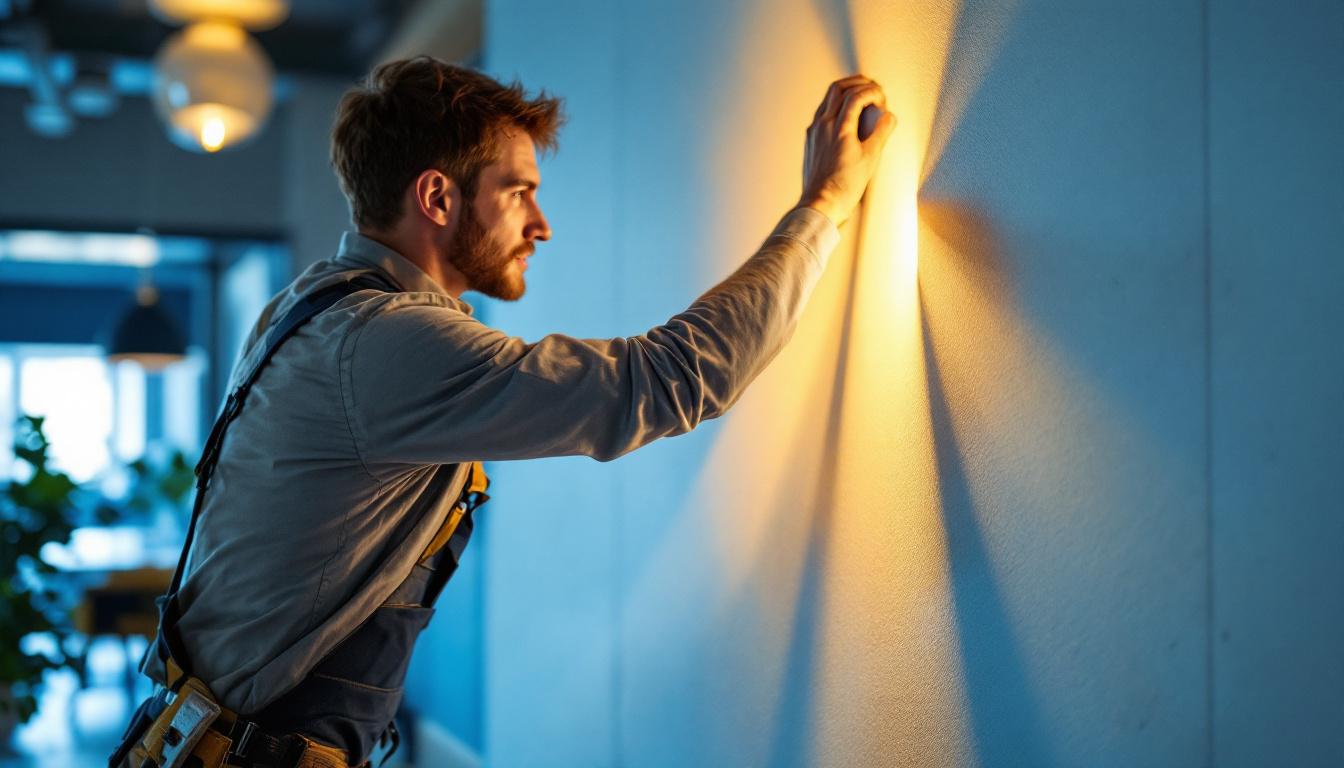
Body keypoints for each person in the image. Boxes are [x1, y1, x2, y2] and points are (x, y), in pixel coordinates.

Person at [111, 57, 894, 768]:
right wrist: (823, 204)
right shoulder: (387, 343)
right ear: (438, 197)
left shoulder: (313, 303)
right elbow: (668, 379)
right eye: (519, 191)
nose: (540, 224)